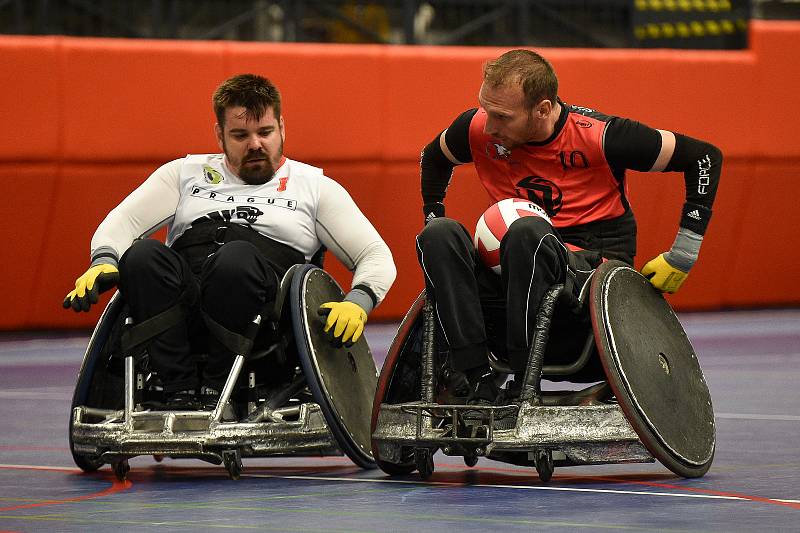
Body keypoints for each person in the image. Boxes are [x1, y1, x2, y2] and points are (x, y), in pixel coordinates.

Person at [63, 73, 396, 410]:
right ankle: (177, 389)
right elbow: (121, 224)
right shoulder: (183, 174)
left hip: (262, 321)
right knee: (140, 256)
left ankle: (216, 388)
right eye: (240, 135)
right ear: (219, 135)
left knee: (234, 260)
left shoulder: (314, 187)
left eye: (265, 132)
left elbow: (375, 255)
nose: (255, 144)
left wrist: (358, 301)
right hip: (183, 315)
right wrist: (103, 260)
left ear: (282, 128)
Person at [416, 49, 721, 404]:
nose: (488, 127)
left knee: (527, 234)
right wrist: (433, 213)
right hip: (510, 266)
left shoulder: (602, 136)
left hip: (588, 270)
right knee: (438, 235)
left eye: (502, 117)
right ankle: (473, 377)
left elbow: (704, 157)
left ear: (542, 109)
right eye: (486, 110)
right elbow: (433, 157)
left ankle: (522, 379)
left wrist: (682, 254)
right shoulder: (477, 129)